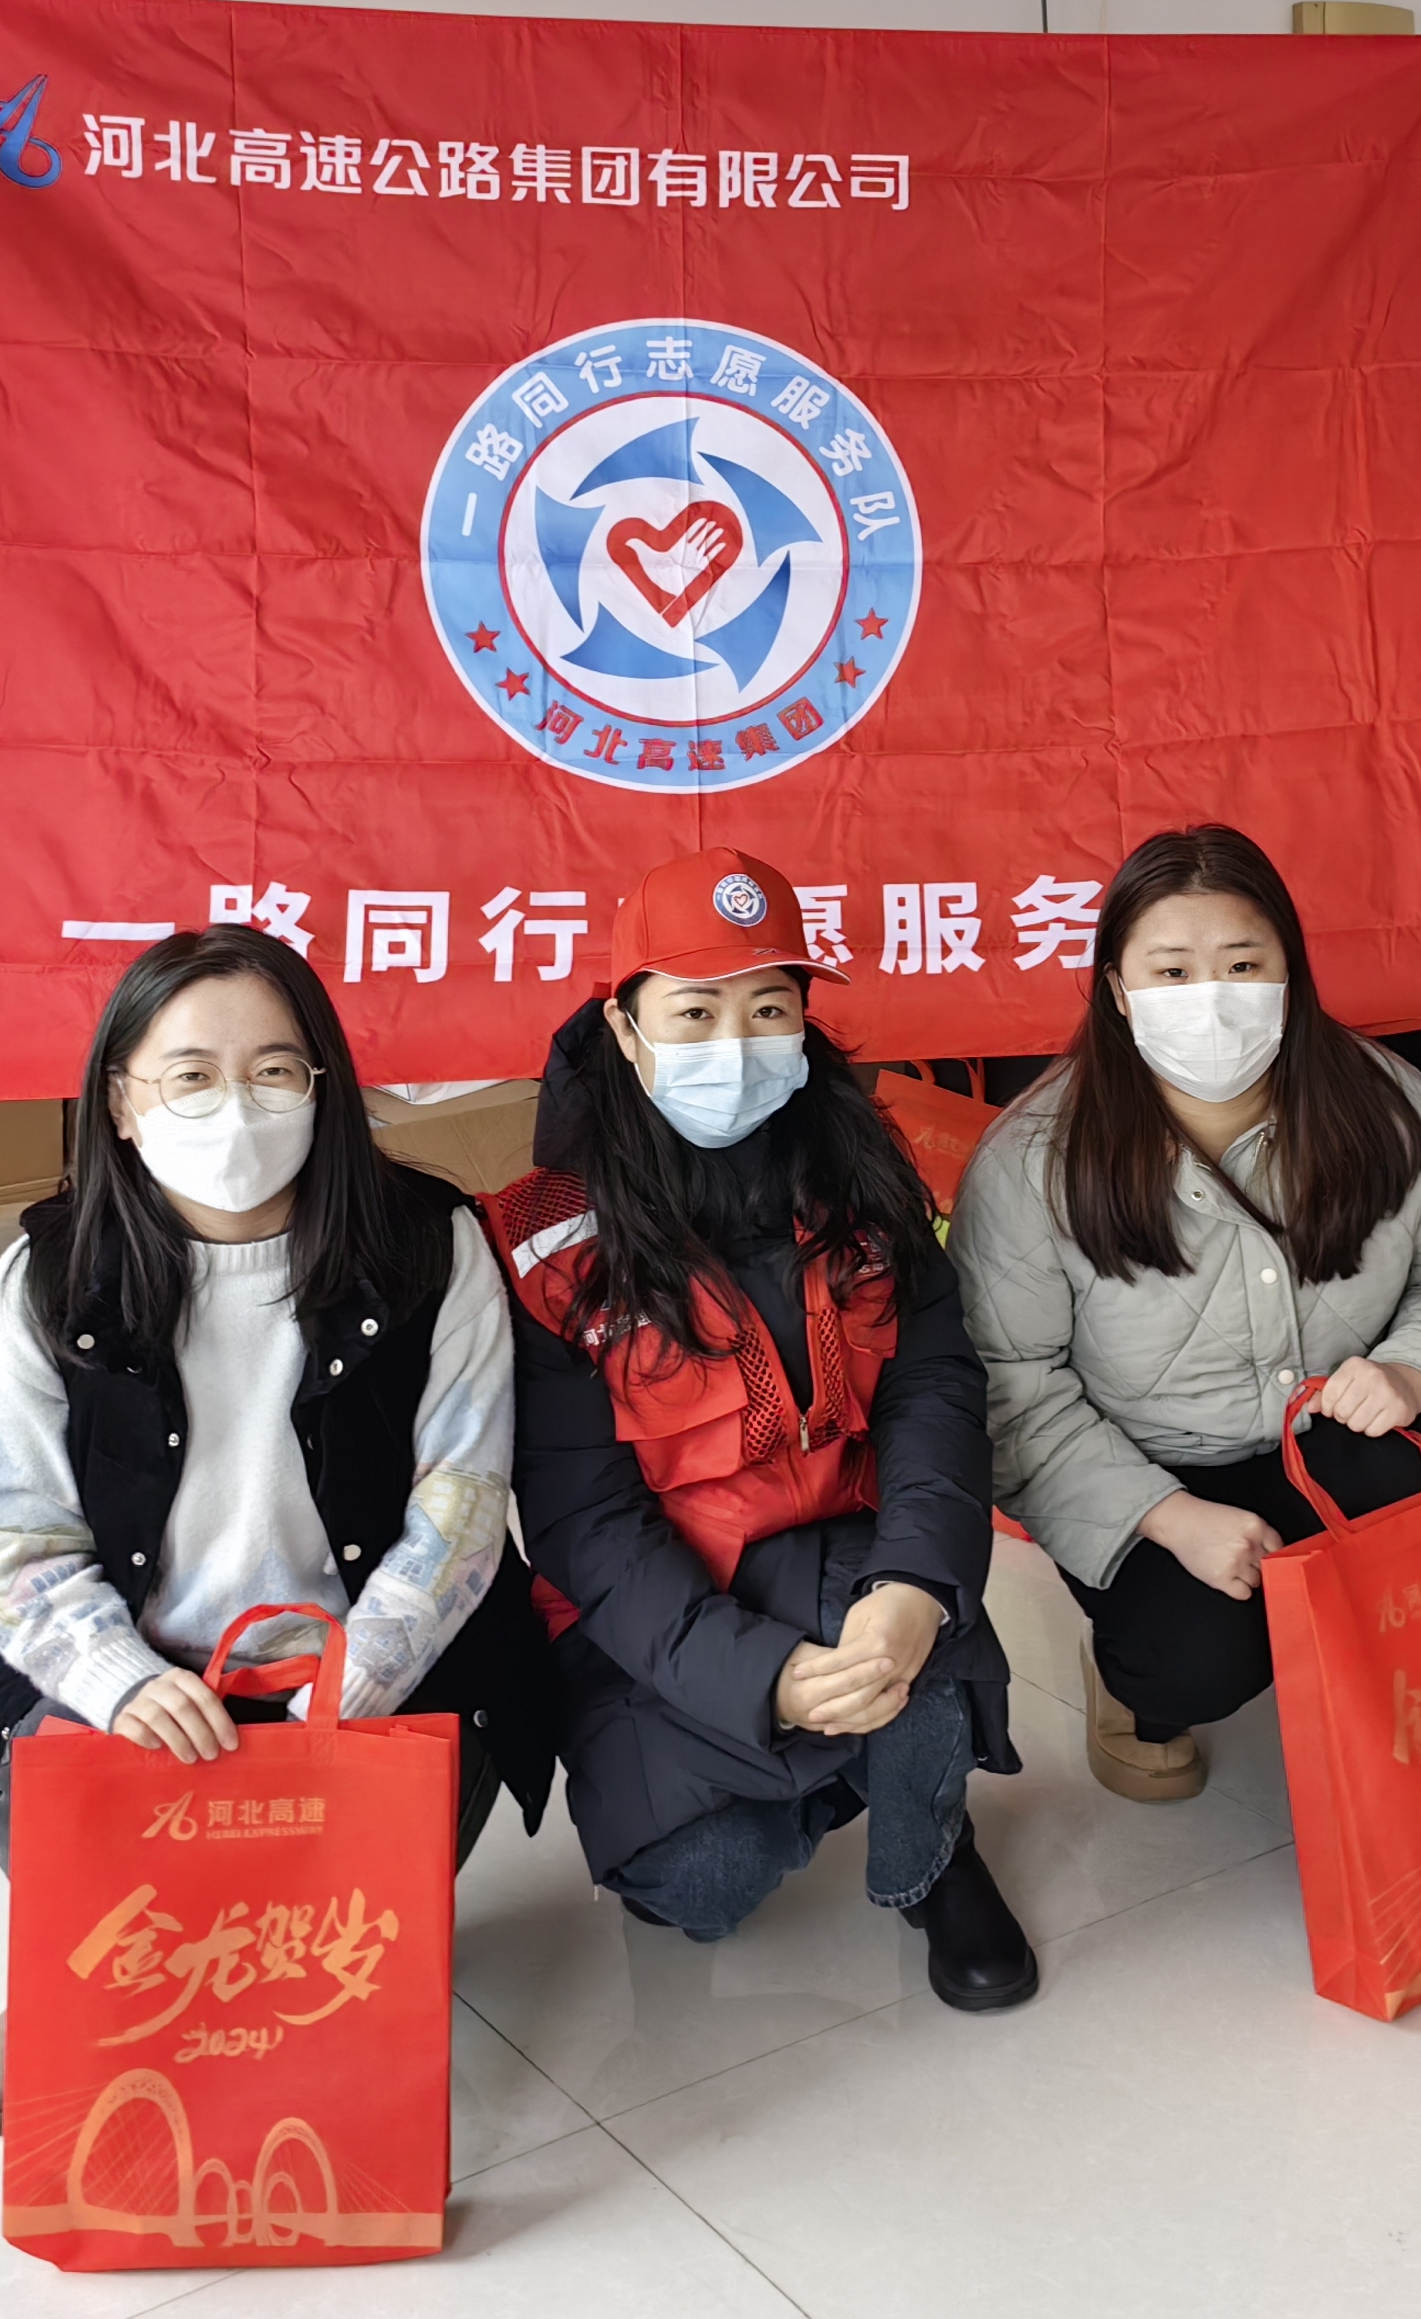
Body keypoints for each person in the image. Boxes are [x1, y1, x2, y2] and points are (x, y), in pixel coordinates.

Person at [0, 924, 557, 2137]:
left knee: (315, 1960)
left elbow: (464, 1502)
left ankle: (196, 1976)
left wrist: (362, 1674)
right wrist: (116, 1680)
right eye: (189, 1075)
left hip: (372, 1679)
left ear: (322, 1087)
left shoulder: (431, 1246)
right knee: (139, 1897)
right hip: (149, 1685)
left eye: (274, 1071)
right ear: (121, 1103)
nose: (235, 1107)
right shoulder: (51, 1278)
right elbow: (8, 1536)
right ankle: (100, 1971)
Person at [487, 848, 1036, 2009]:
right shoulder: (544, 1242)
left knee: (918, 1641)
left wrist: (914, 1585)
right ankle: (828, 1765)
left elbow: (935, 1391)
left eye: (768, 1008)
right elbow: (585, 1526)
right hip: (666, 1609)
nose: (735, 1045)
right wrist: (763, 1679)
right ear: (623, 1028)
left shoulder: (865, 1172)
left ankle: (930, 1846)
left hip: (853, 1555)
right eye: (694, 1012)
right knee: (699, 1881)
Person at [955, 825, 1421, 1801]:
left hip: (1335, 1429)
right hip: (1152, 1467)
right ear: (1117, 987)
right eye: (1172, 970)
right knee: (1195, 1661)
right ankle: (1131, 1685)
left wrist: (1415, 1370)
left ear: (1288, 972)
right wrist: (1168, 1517)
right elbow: (1010, 1385)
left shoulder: (1389, 1105)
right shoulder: (1030, 1161)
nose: (1211, 997)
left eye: (1242, 964)